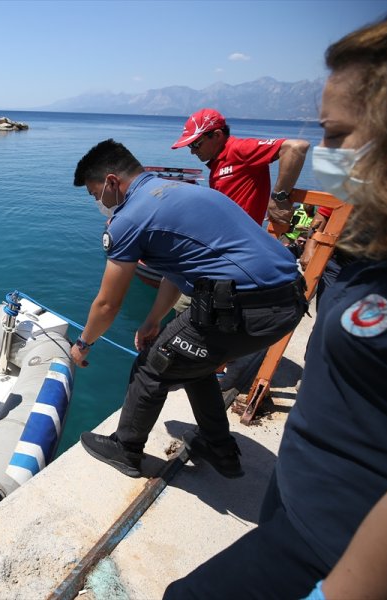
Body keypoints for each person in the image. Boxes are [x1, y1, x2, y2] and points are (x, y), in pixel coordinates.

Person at [165, 17, 387, 599]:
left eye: (339, 135)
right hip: (297, 487)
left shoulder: (238, 149)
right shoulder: (363, 250)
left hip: (334, 534)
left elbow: (290, 150)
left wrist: (283, 202)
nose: (329, 152)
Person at [71, 139, 306, 479]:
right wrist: (152, 320)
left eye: (95, 195)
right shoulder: (182, 193)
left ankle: (126, 449)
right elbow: (177, 270)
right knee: (194, 361)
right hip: (290, 301)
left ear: (111, 181)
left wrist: (83, 344)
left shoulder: (129, 218)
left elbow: (108, 303)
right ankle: (219, 448)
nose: (99, 203)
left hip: (249, 309)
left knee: (154, 365)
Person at [171, 107, 310, 234]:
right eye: (190, 146)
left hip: (240, 242)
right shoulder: (217, 162)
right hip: (223, 236)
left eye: (196, 144)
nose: (193, 151)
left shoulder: (240, 149)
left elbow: (296, 148)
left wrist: (279, 198)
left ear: (217, 135)